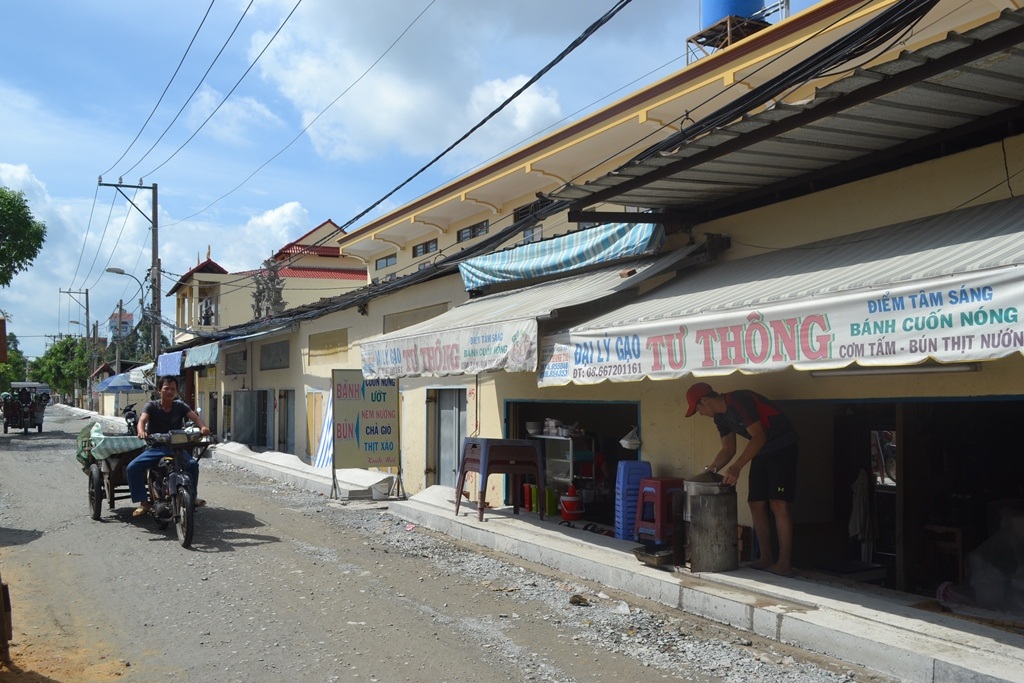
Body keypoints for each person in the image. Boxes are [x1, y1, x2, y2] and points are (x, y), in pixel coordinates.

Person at [685, 381, 799, 577]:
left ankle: (784, 563)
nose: (700, 414)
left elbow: (758, 437)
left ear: (705, 400)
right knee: (755, 502)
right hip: (762, 451)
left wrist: (737, 467)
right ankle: (766, 557)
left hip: (782, 447)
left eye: (698, 409)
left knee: (778, 503)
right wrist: (710, 471)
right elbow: (728, 449)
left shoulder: (738, 401)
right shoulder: (720, 418)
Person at [127, 375, 211, 517]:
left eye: (173, 389)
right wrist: (141, 431)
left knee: (193, 465)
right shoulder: (151, 406)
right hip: (155, 448)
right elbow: (142, 419)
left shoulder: (180, 406)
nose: (170, 392)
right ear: (159, 390)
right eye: (166, 389)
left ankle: (192, 496)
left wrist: (203, 427)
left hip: (176, 448)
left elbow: (195, 417)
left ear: (176, 391)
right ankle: (144, 503)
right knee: (132, 467)